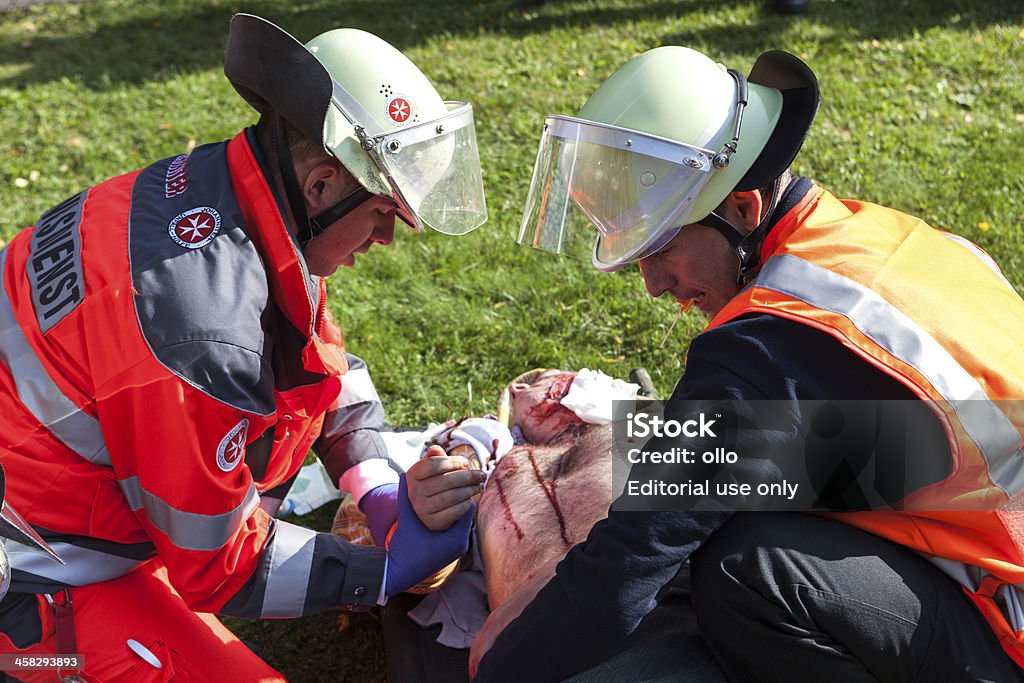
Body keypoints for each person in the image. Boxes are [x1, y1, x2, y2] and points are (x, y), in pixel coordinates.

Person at [473, 46, 1024, 681]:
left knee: (745, 570)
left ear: (743, 208)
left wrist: (503, 668)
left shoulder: (764, 345)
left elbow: (626, 566)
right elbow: (905, 448)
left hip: (1003, 626)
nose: (652, 284)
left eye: (663, 248)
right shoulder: (882, 240)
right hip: (993, 552)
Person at [0, 13, 488, 680]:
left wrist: (375, 479)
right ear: (320, 185)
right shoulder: (200, 331)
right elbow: (221, 567)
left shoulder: (219, 194)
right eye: (382, 213)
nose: (385, 240)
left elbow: (316, 359)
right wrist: (383, 569)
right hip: (26, 576)